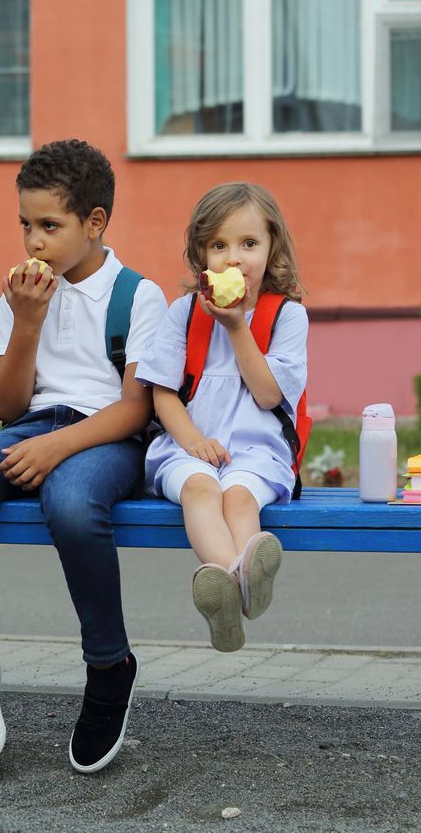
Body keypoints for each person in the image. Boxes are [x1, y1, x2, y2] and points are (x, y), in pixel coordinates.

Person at [0, 139, 168, 774]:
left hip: (105, 436)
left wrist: (57, 446)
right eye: (25, 225)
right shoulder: (19, 295)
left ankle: (110, 666)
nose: (34, 241)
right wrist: (26, 322)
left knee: (73, 506)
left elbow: (137, 408)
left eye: (49, 226)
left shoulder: (138, 297)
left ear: (95, 223)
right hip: (29, 425)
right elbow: (5, 404)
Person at [135, 182, 308, 653]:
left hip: (258, 448)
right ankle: (241, 587)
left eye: (249, 244)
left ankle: (230, 593)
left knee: (237, 497)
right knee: (200, 488)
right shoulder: (184, 312)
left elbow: (270, 395)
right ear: (201, 254)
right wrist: (191, 440)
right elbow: (162, 393)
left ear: (272, 246)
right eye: (219, 246)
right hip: (188, 445)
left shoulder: (287, 317)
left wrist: (236, 327)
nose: (234, 259)